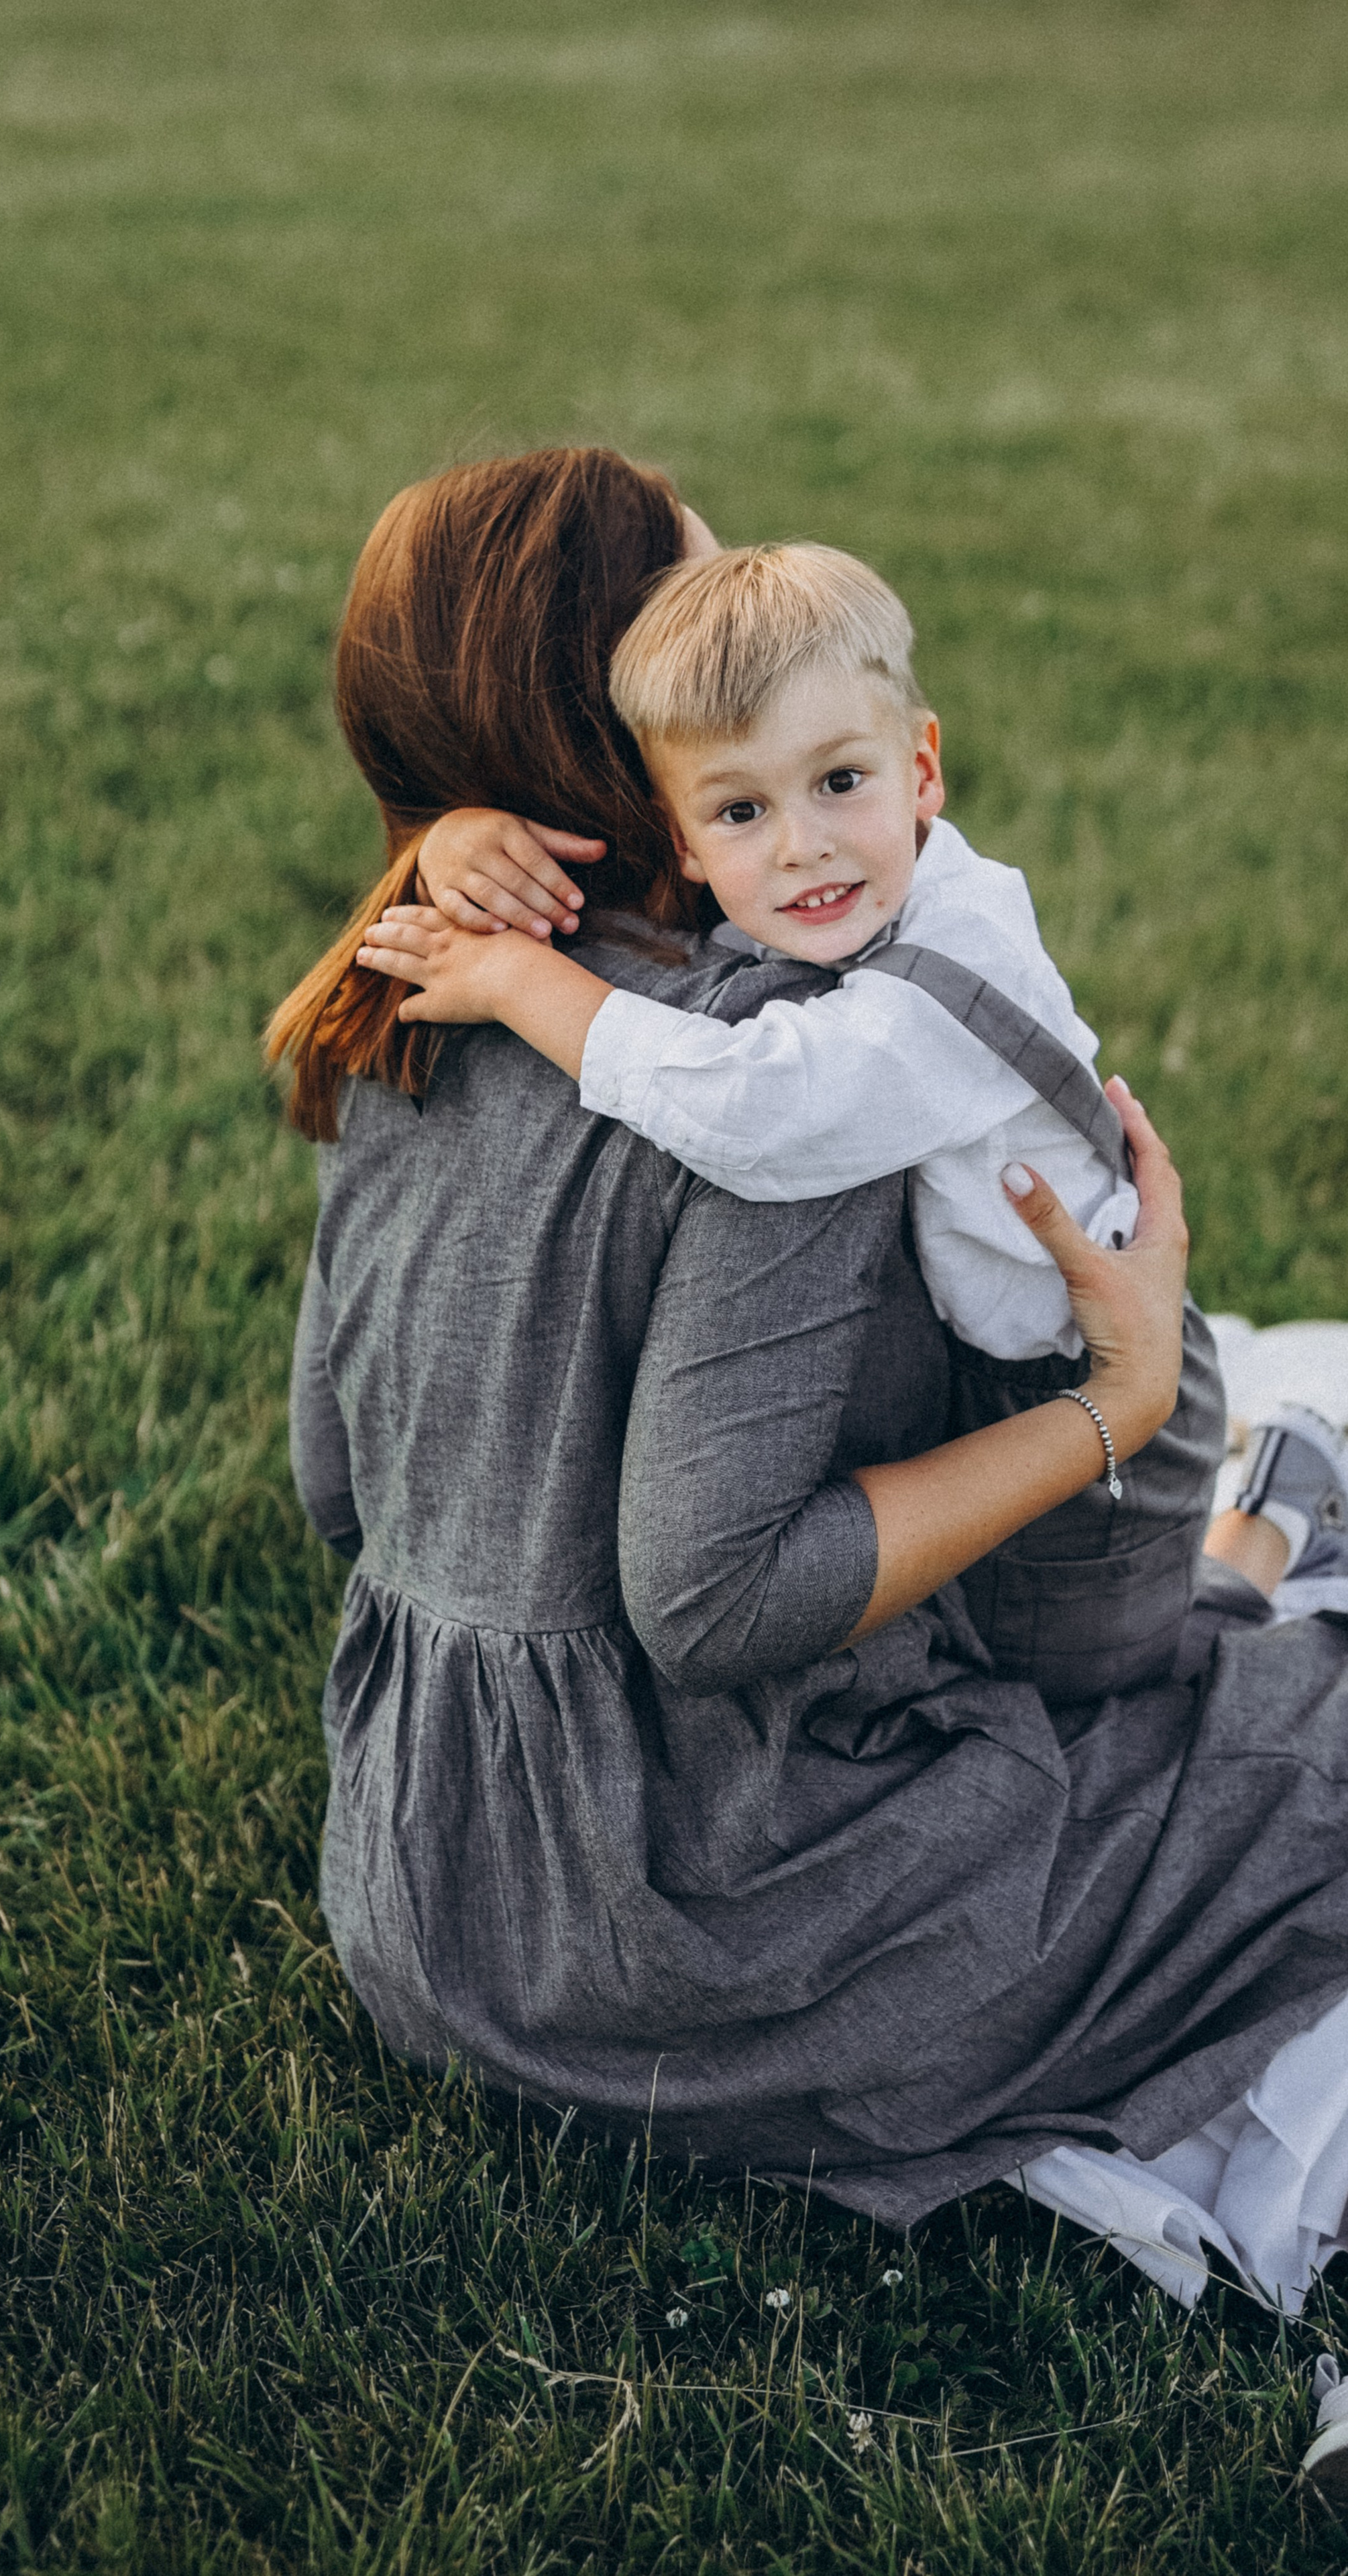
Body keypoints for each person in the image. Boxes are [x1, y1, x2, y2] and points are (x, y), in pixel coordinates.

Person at [268, 445, 1348, 2318]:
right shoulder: (778, 1070)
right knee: (1296, 1754)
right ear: (639, 734)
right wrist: (1113, 1398)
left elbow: (337, 1491)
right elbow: (717, 1600)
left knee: (1198, 1636)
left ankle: (1254, 1557)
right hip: (695, 1933)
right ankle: (1256, 1561)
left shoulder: (404, 985)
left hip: (421, 1886)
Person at [354, 539, 1347, 1703]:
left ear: (923, 768)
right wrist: (465, 834)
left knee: (1101, 1683)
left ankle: (1275, 1526)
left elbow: (759, 1109)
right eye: (740, 811)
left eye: (839, 784)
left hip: (1083, 1381)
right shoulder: (832, 894)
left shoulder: (948, 968)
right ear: (679, 840)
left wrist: (529, 986)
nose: (800, 845)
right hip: (994, 1369)